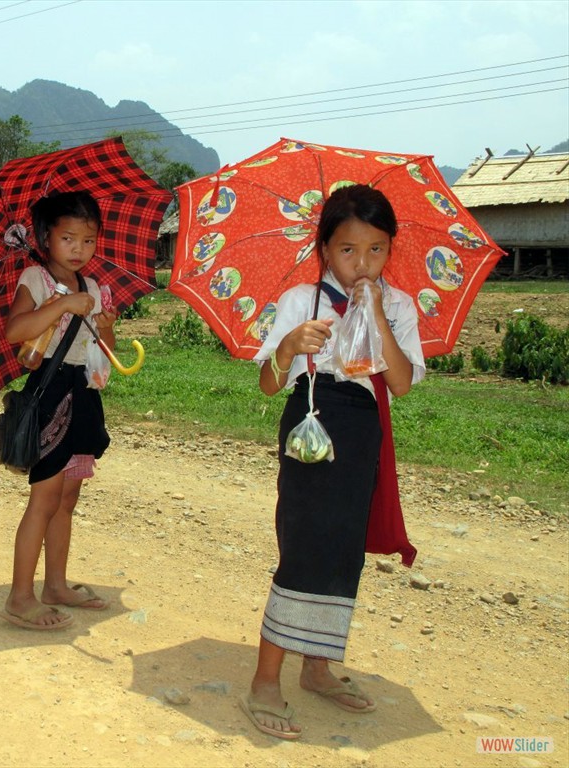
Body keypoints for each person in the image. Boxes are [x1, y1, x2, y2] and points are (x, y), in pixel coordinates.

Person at [240, 184, 426, 739]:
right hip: (308, 427)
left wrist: (376, 314)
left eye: (376, 249)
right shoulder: (303, 301)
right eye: (348, 250)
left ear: (390, 250)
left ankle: (317, 667)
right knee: (303, 546)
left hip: (361, 431)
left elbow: (401, 382)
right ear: (324, 249)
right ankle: (265, 680)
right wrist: (290, 345)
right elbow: (269, 385)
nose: (362, 262)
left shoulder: (398, 305)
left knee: (344, 550)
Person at [0, 191, 117, 631]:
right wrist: (61, 304)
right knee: (44, 499)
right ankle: (19, 596)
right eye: (68, 238)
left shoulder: (94, 287)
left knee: (68, 498)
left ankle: (56, 585)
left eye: (88, 240)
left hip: (83, 392)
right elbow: (15, 330)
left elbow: (105, 349)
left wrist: (105, 326)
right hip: (50, 393)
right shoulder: (36, 277)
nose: (79, 249)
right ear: (46, 238)